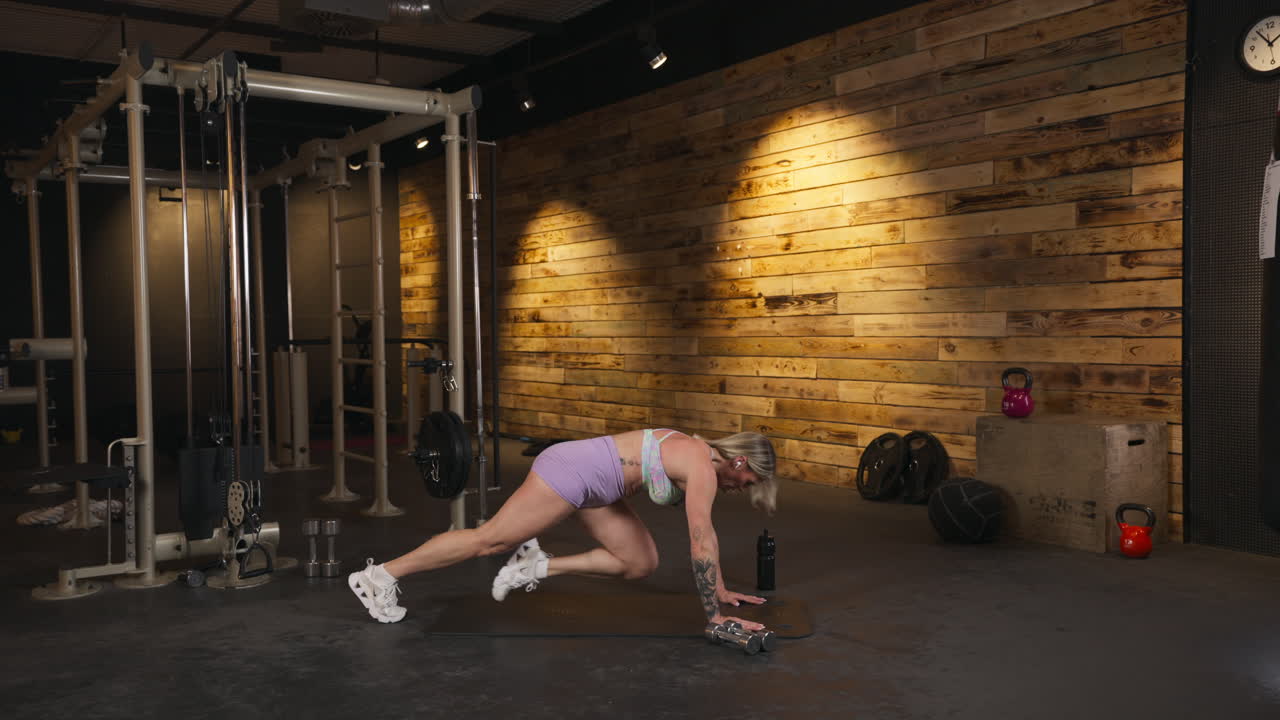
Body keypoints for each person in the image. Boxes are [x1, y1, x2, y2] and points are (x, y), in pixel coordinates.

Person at [349, 428, 778, 631]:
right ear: (740, 463)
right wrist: (715, 617)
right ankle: (380, 576)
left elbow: (707, 534)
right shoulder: (701, 463)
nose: (743, 489)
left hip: (600, 489)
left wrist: (719, 588)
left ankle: (538, 566)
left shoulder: (701, 457)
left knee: (639, 562)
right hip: (573, 471)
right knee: (490, 540)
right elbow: (701, 538)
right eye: (749, 483)